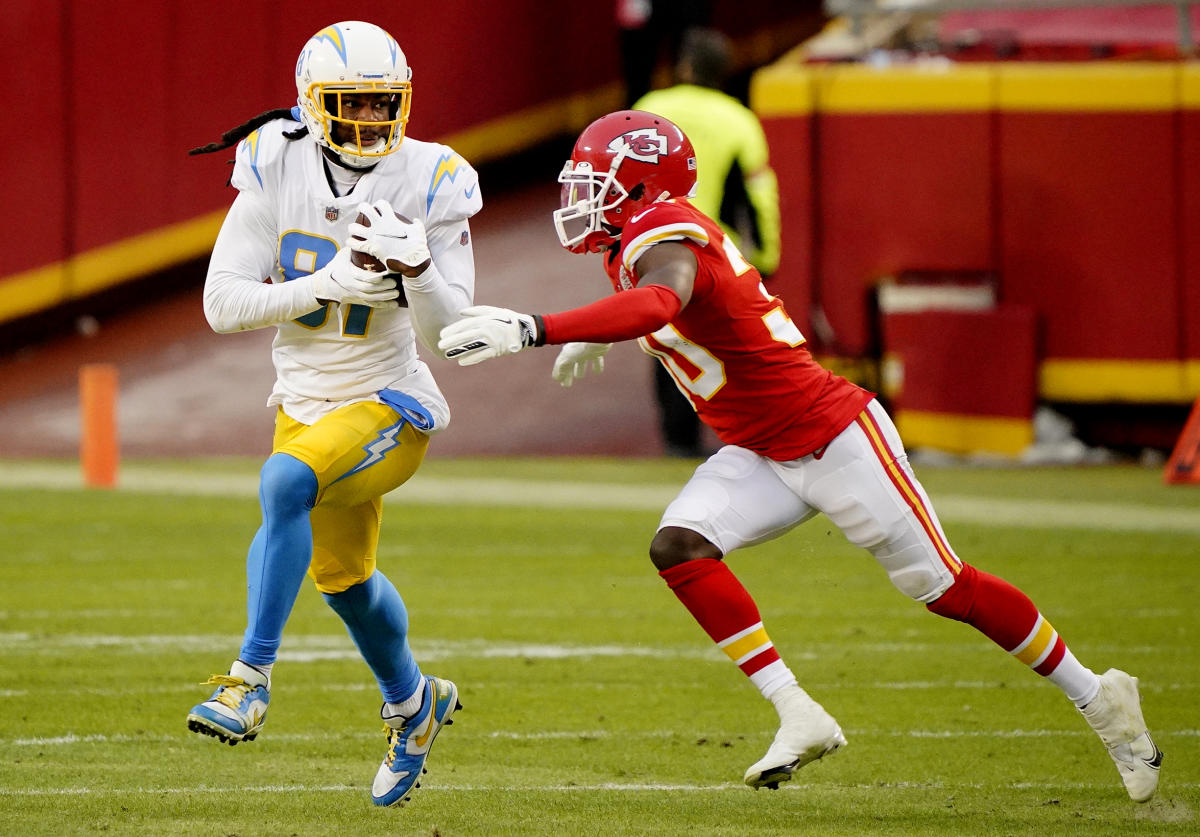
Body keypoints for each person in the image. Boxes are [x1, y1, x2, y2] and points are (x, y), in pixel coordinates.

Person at [435, 110, 1162, 802]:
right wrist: (599, 332)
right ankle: (797, 710)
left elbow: (664, 299)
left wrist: (541, 328)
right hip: (759, 447)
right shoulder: (639, 242)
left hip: (832, 434)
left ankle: (1101, 699)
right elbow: (693, 310)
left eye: (594, 182)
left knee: (945, 587)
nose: (580, 198)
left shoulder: (662, 235)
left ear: (638, 185)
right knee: (681, 545)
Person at [185, 20, 478, 809]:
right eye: (354, 104)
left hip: (394, 401)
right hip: (306, 403)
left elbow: (449, 338)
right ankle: (415, 705)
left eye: (386, 105)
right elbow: (221, 303)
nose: (374, 123)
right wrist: (327, 285)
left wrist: (417, 269)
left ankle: (248, 679)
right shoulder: (275, 162)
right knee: (344, 579)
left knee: (283, 484)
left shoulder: (433, 176)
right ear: (313, 104)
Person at [633, 26, 781, 457]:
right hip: (715, 251)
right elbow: (759, 195)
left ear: (685, 66)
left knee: (666, 337)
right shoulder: (739, 119)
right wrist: (768, 255)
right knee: (732, 347)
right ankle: (743, 440)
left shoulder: (649, 108)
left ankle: (678, 442)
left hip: (653, 245)